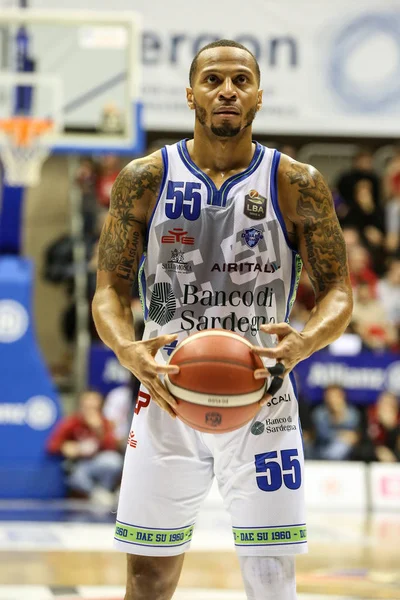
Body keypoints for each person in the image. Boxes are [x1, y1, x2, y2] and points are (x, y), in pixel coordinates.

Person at [92, 40, 353, 600]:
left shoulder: (296, 181)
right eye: (213, 80)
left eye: (240, 79)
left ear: (258, 96)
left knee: (271, 584)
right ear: (191, 94)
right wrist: (127, 351)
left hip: (263, 395)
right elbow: (108, 293)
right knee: (147, 580)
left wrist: (305, 342)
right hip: (165, 392)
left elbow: (339, 292)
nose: (227, 90)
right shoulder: (145, 178)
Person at [47, 388, 123, 506]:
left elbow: (112, 447)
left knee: (113, 462)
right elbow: (52, 445)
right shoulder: (72, 422)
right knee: (74, 476)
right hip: (80, 464)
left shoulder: (105, 423)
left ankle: (105, 491)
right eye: (87, 406)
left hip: (97, 462)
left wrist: (99, 429)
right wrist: (65, 447)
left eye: (94, 407)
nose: (90, 410)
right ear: (81, 406)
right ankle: (98, 495)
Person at [312, 385, 360, 460]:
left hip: (348, 452)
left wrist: (341, 414)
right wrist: (335, 417)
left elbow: (354, 436)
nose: (331, 400)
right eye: (329, 396)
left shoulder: (352, 413)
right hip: (323, 449)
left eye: (335, 396)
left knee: (343, 446)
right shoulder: (320, 413)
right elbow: (322, 434)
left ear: (342, 396)